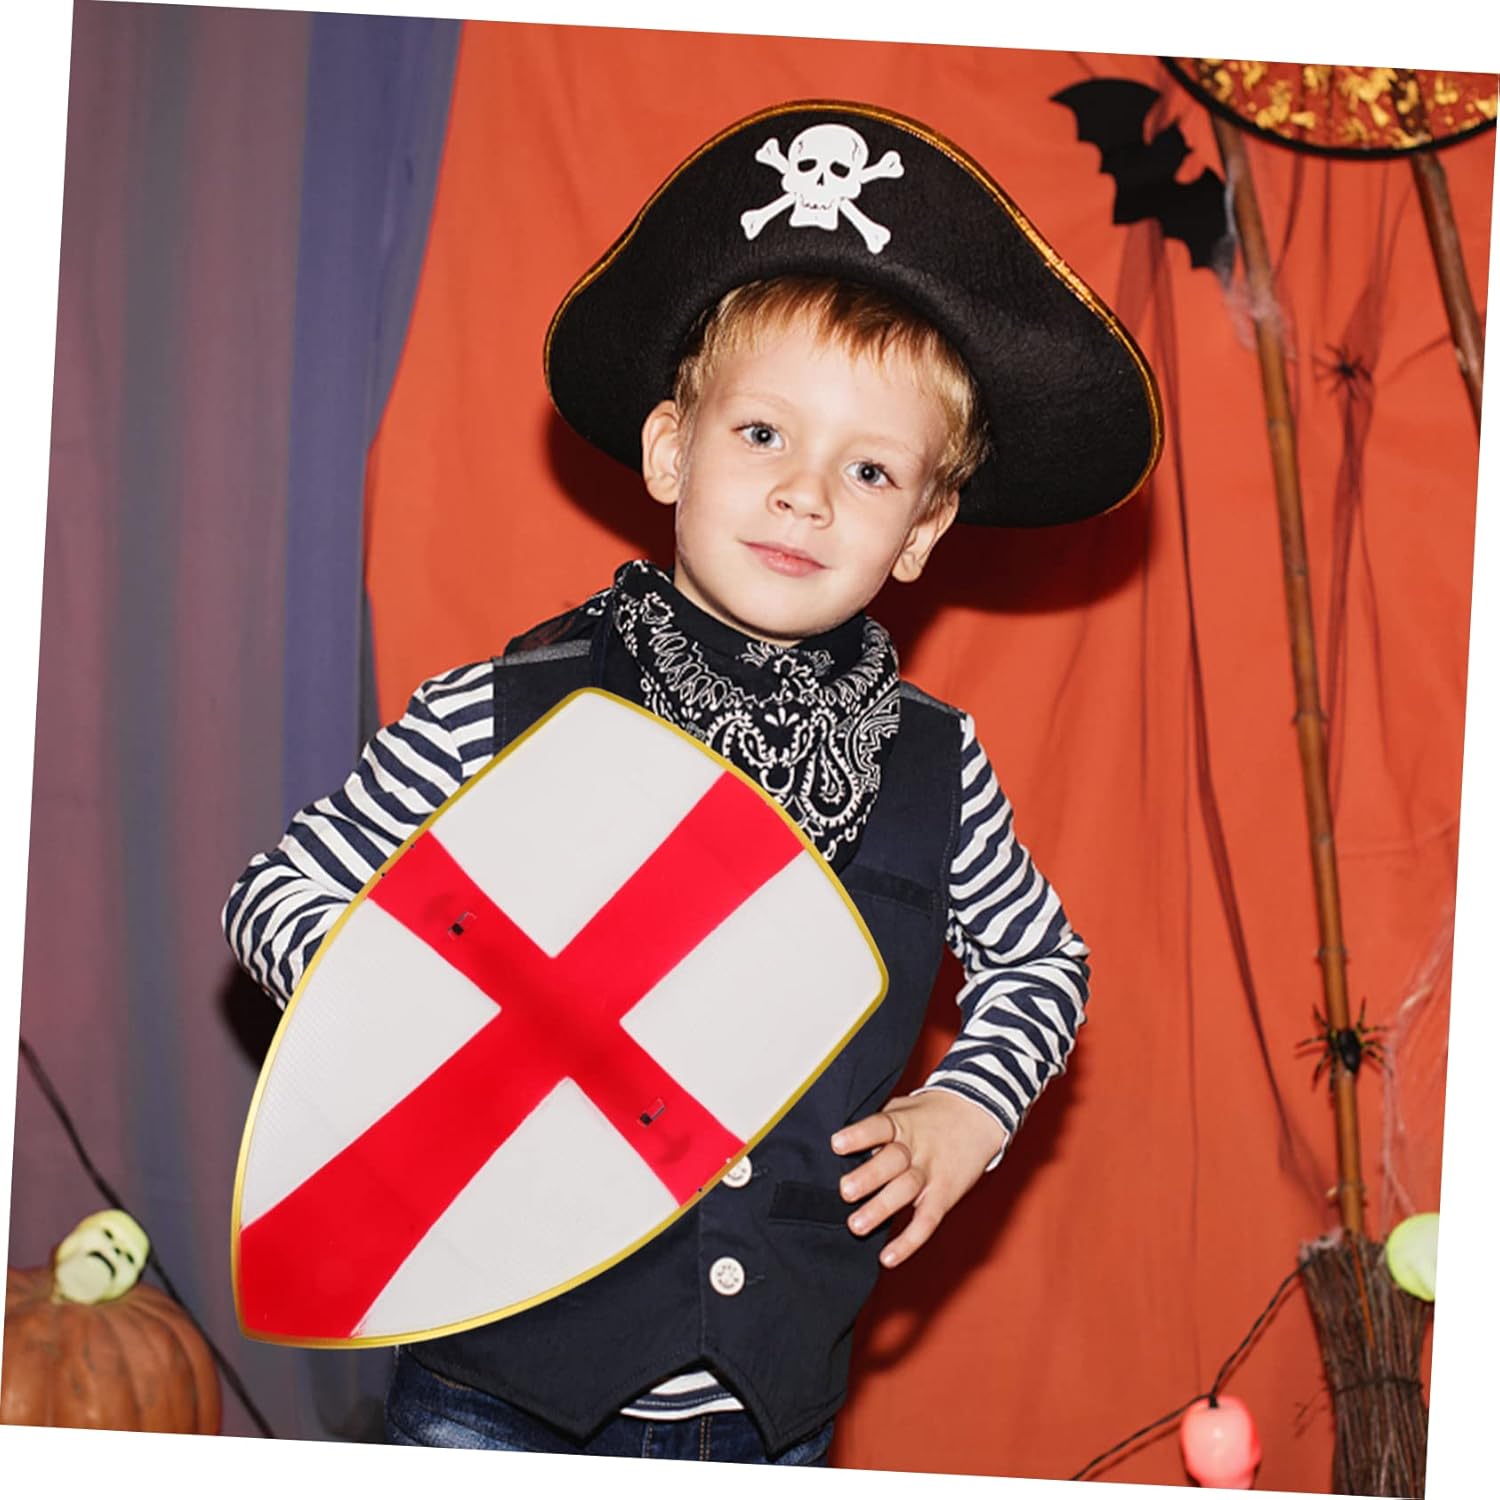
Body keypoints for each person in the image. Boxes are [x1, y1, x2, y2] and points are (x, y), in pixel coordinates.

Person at [222, 100, 1161, 1466]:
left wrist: (968, 1108)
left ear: (922, 529)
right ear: (672, 449)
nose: (807, 495)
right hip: (495, 1386)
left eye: (871, 469)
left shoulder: (939, 770)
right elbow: (281, 890)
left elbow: (1041, 964)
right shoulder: (503, 712)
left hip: (769, 1409)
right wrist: (409, 1006)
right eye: (764, 435)